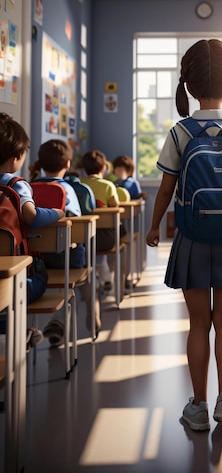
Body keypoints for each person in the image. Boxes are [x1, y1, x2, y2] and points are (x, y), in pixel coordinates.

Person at [146, 39, 222, 431]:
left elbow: (165, 189)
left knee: (198, 323)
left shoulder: (181, 131)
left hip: (192, 238)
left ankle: (197, 407)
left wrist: (153, 227)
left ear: (189, 87)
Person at [0, 113, 65, 349]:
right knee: (36, 280)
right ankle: (18, 330)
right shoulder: (16, 185)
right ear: (17, 157)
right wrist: (58, 213)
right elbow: (32, 217)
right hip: (16, 279)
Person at [30, 139, 101, 343]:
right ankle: (90, 309)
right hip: (65, 258)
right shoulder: (68, 189)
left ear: (41, 163)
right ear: (68, 165)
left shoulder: (27, 187)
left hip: (35, 260)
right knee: (86, 269)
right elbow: (76, 226)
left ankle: (58, 321)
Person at [80, 149, 127, 291]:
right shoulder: (108, 186)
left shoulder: (79, 185)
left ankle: (98, 275)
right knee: (117, 231)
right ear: (103, 168)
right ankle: (105, 275)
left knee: (94, 242)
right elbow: (115, 206)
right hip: (106, 238)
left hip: (83, 238)